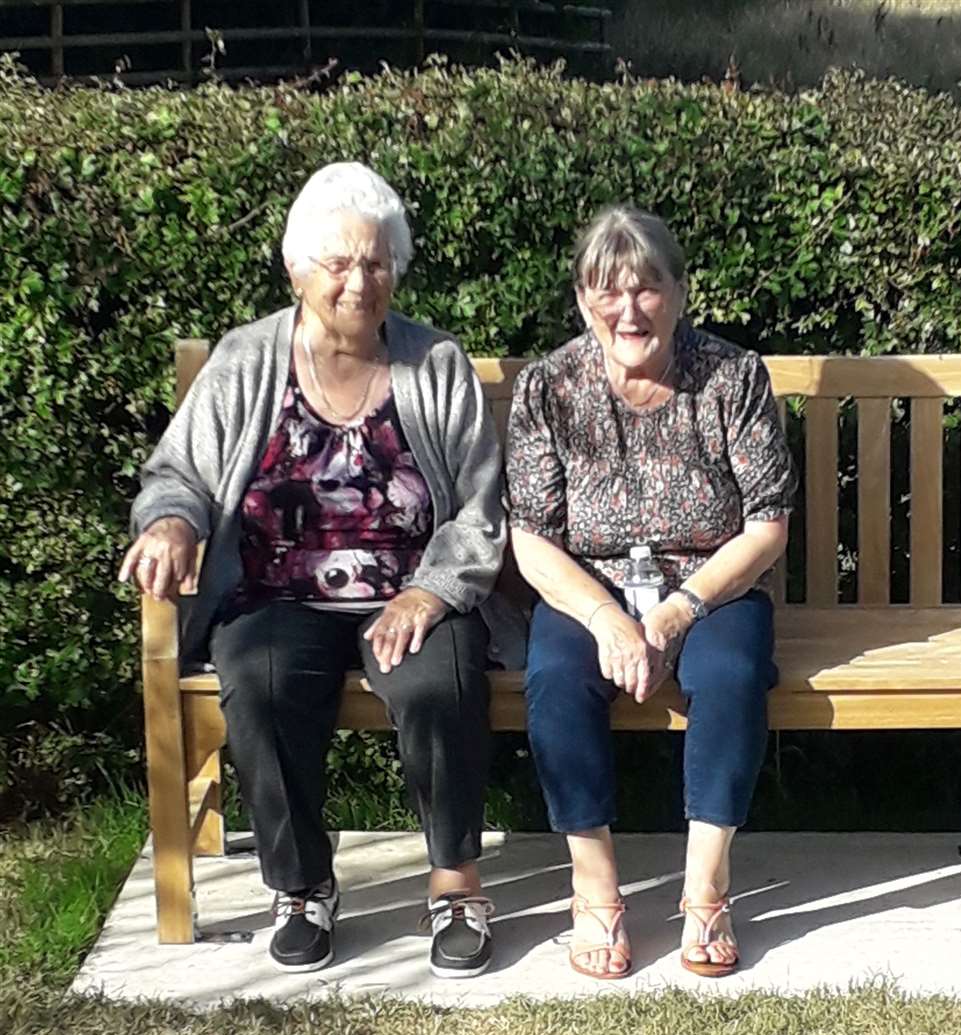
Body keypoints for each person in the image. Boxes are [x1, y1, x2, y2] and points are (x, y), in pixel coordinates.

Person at [120, 162, 522, 977]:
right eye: (337, 263)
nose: (357, 281)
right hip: (276, 591)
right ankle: (301, 887)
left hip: (412, 592)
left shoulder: (434, 363)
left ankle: (454, 885)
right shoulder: (243, 361)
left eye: (375, 262)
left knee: (439, 683)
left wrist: (430, 589)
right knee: (261, 681)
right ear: (297, 269)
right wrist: (168, 523)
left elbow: (481, 507)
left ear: (395, 270)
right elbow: (177, 475)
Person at [505, 206, 796, 979]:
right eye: (609, 292)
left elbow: (767, 524)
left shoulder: (733, 378)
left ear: (679, 292)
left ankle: (707, 889)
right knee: (557, 679)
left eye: (648, 289)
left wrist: (677, 609)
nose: (629, 310)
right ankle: (595, 892)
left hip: (712, 586)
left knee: (731, 676)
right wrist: (605, 615)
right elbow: (530, 536)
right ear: (581, 301)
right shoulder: (548, 388)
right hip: (587, 587)